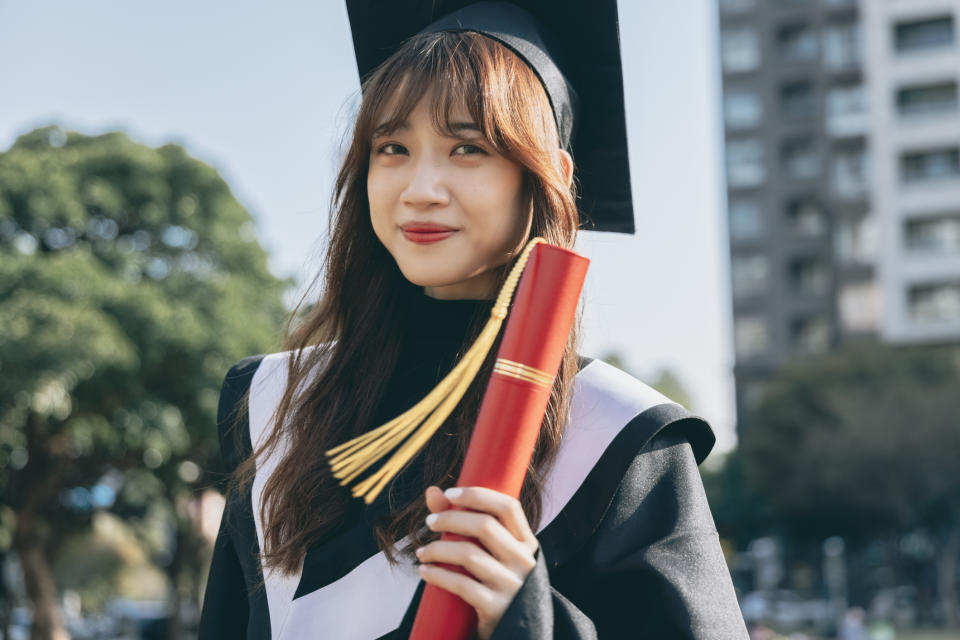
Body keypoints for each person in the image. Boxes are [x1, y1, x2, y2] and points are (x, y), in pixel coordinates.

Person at [198, 1, 748, 638]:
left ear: (552, 179)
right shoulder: (275, 402)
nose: (421, 188)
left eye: (467, 148)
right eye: (393, 147)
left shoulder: (616, 436)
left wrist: (528, 615)